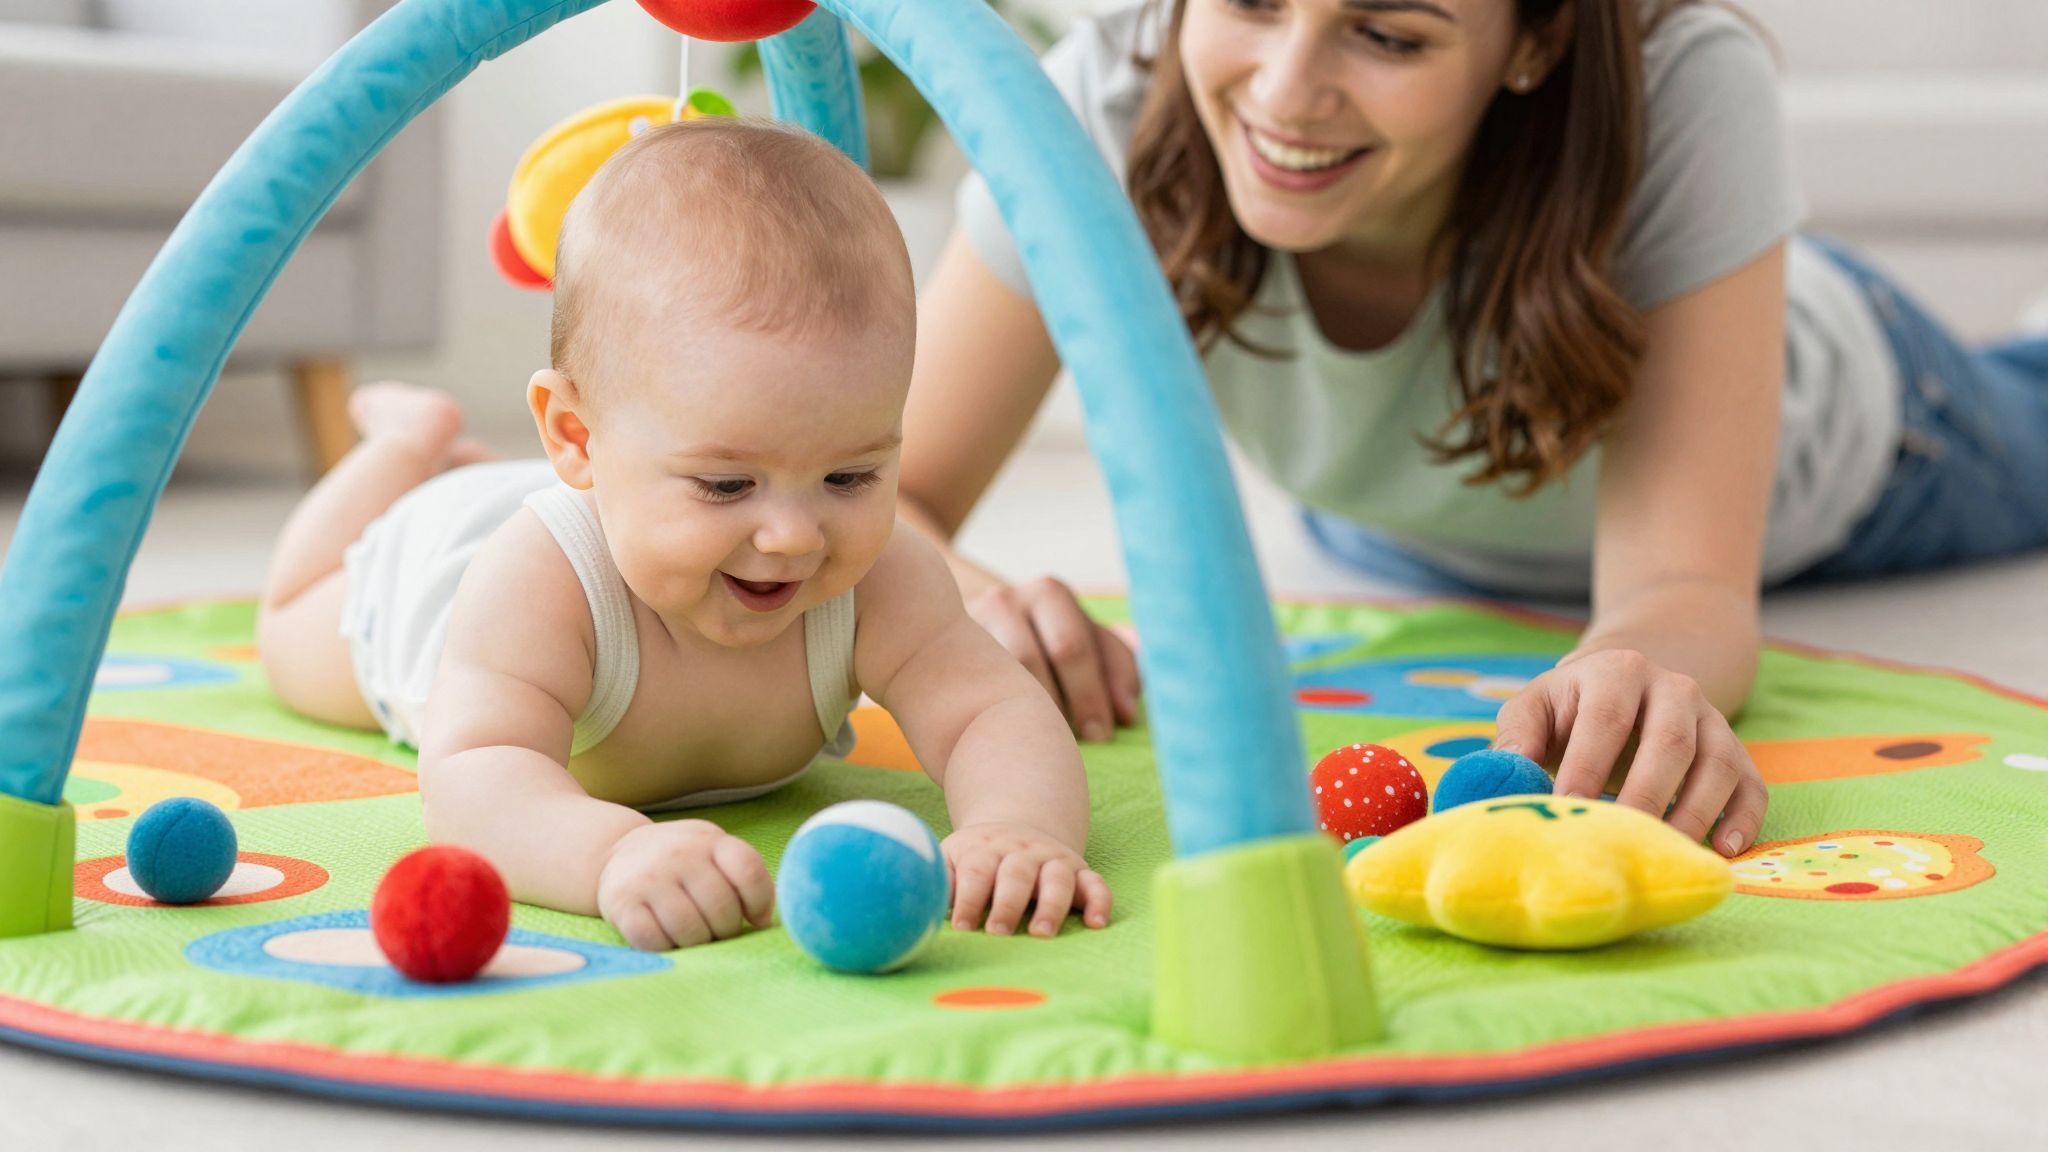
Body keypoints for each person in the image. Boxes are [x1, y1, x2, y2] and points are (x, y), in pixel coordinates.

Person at [895, 0, 2048, 859]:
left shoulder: (1683, 81)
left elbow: (1685, 586)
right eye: (1247, 1)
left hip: (1878, 444)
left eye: (1385, 35)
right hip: (1413, 524)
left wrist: (1623, 673)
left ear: (1535, 39)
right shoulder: (1090, 108)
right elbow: (892, 495)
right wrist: (963, 602)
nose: (1285, 94)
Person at [255, 118, 1112, 952]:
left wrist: (1019, 827)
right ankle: (404, 447)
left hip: (619, 495)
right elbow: (473, 777)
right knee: (290, 633)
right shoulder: (534, 584)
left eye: (850, 476)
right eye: (727, 485)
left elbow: (992, 712)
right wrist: (611, 854)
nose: (792, 536)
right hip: (436, 567)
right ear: (577, 436)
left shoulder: (882, 577)